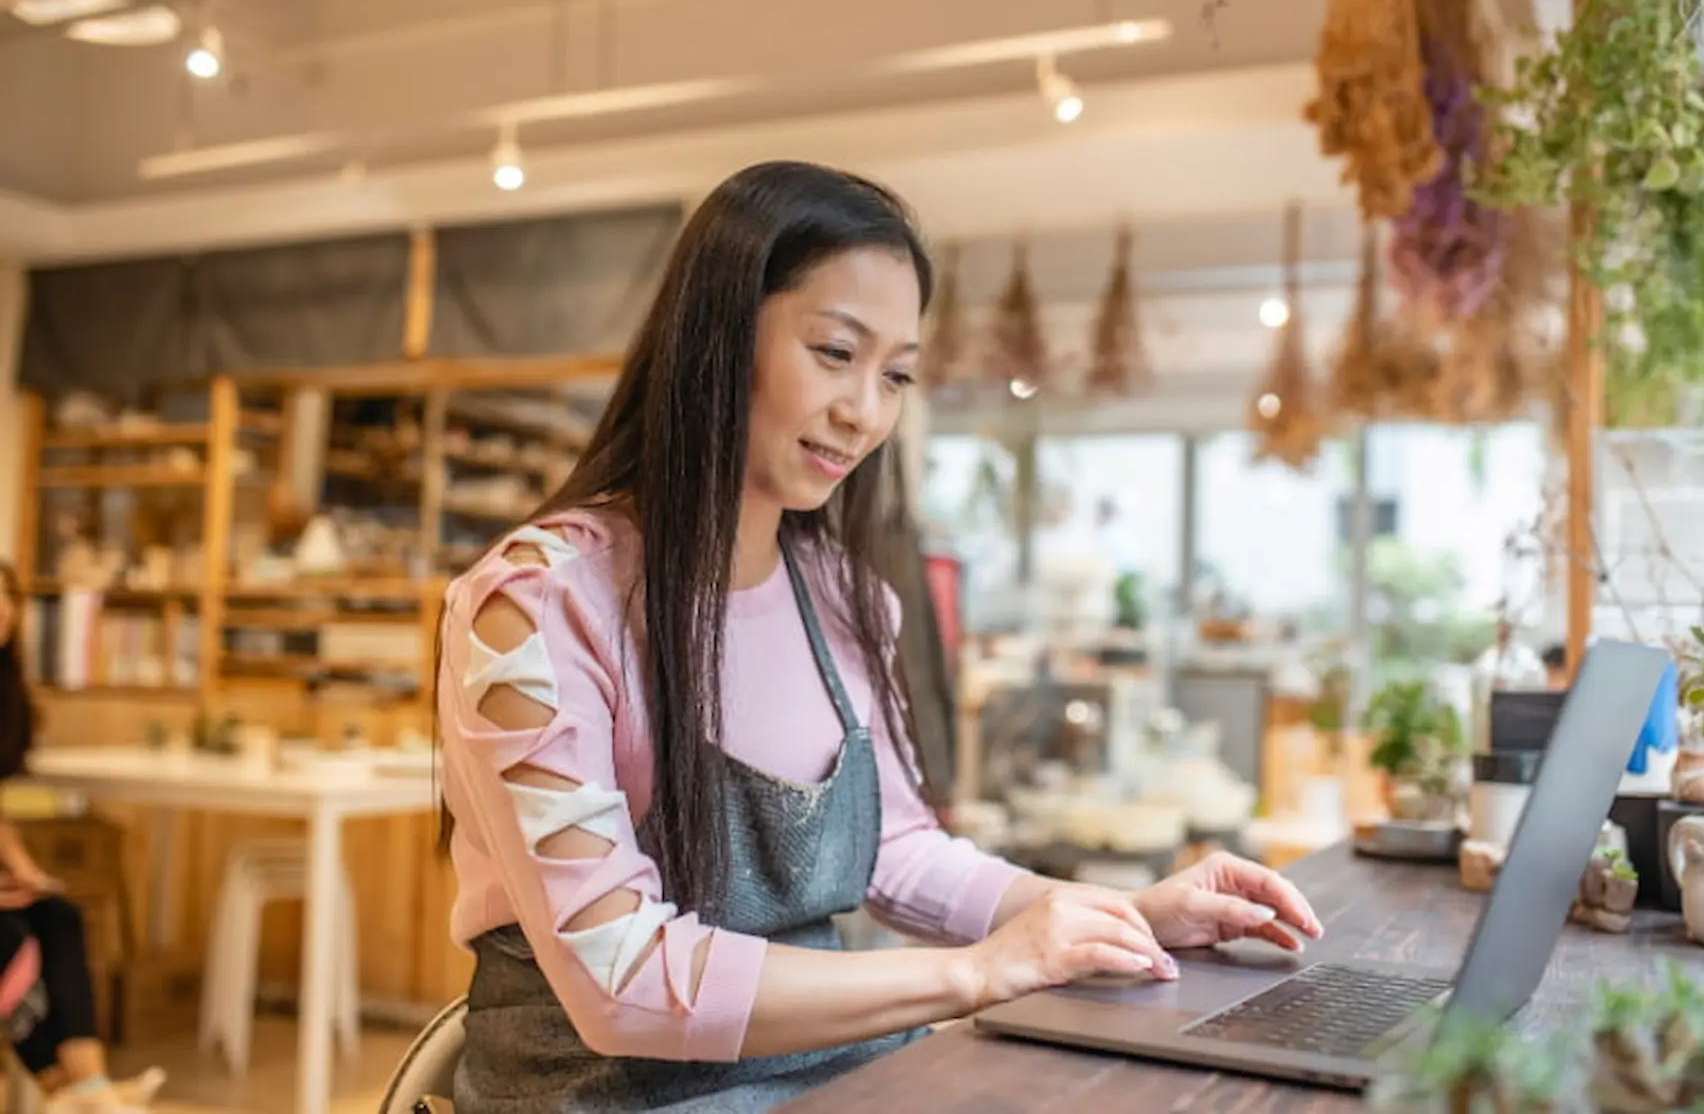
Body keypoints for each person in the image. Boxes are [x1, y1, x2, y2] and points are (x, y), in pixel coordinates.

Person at [434, 160, 1324, 1113]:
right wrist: (978, 971)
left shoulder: (841, 594)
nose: (865, 411)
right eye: (833, 352)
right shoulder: (537, 605)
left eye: (895, 373)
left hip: (823, 1073)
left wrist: (1114, 917)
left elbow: (898, 852)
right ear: (719, 341)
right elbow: (625, 982)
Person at [0, 562, 164, 1113]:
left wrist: (22, 871)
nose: (0, 607)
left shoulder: (9, 693)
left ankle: (89, 1088)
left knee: (58, 914)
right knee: (10, 938)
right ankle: (64, 1092)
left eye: (7, 595)